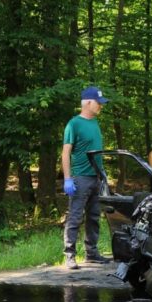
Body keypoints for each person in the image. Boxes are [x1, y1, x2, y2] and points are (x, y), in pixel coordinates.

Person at [61, 86, 110, 270]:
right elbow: (65, 153)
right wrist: (67, 178)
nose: (101, 107)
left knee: (94, 217)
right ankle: (69, 255)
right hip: (80, 178)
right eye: (99, 103)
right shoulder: (74, 124)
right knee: (75, 217)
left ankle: (92, 253)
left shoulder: (95, 123)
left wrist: (103, 175)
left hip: (96, 177)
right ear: (88, 103)